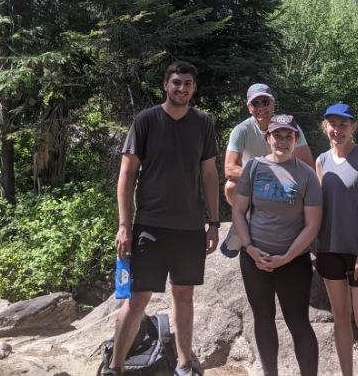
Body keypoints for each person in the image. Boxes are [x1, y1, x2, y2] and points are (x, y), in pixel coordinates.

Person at [106, 61, 220, 376]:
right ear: (165, 85)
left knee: (184, 296)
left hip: (189, 228)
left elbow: (209, 175)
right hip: (150, 227)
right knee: (138, 297)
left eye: (187, 83)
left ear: (194, 88)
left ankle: (184, 365)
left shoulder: (203, 123)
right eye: (176, 83)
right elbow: (126, 175)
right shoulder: (145, 121)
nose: (181, 88)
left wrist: (213, 222)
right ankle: (115, 367)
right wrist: (124, 225)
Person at [232, 114, 322, 376]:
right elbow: (239, 210)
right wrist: (249, 247)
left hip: (293, 262)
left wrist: (287, 257)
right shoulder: (253, 167)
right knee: (263, 319)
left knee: (298, 323)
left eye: (288, 136)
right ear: (267, 138)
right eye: (277, 135)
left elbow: (312, 226)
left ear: (295, 139)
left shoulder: (306, 175)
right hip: (254, 258)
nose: (283, 141)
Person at [315, 103, 358, 376]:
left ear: (353, 127)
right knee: (340, 319)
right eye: (332, 123)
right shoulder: (321, 161)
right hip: (329, 249)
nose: (337, 129)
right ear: (325, 127)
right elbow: (318, 208)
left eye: (343, 124)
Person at [222, 83, 313, 257]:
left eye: (265, 102)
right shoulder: (241, 130)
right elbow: (229, 169)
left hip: (286, 183)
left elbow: (307, 165)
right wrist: (265, 176)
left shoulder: (288, 126)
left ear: (273, 104)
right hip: (254, 185)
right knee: (230, 187)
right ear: (249, 108)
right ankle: (245, 222)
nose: (261, 107)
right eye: (256, 103)